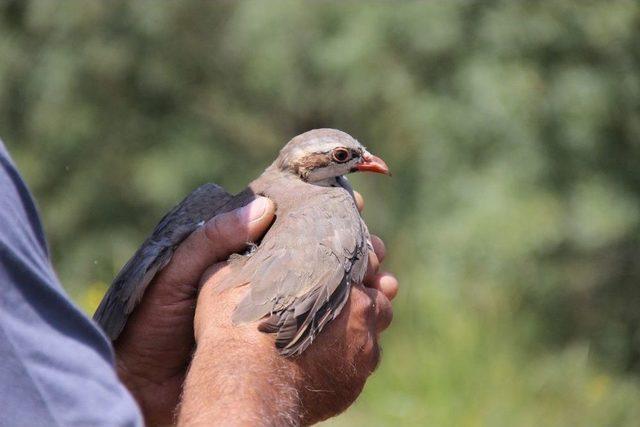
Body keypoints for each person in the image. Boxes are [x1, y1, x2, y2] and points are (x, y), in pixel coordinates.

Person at [0, 139, 398, 426]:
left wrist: (135, 381)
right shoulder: (332, 207)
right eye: (343, 158)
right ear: (302, 166)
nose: (358, 163)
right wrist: (264, 372)